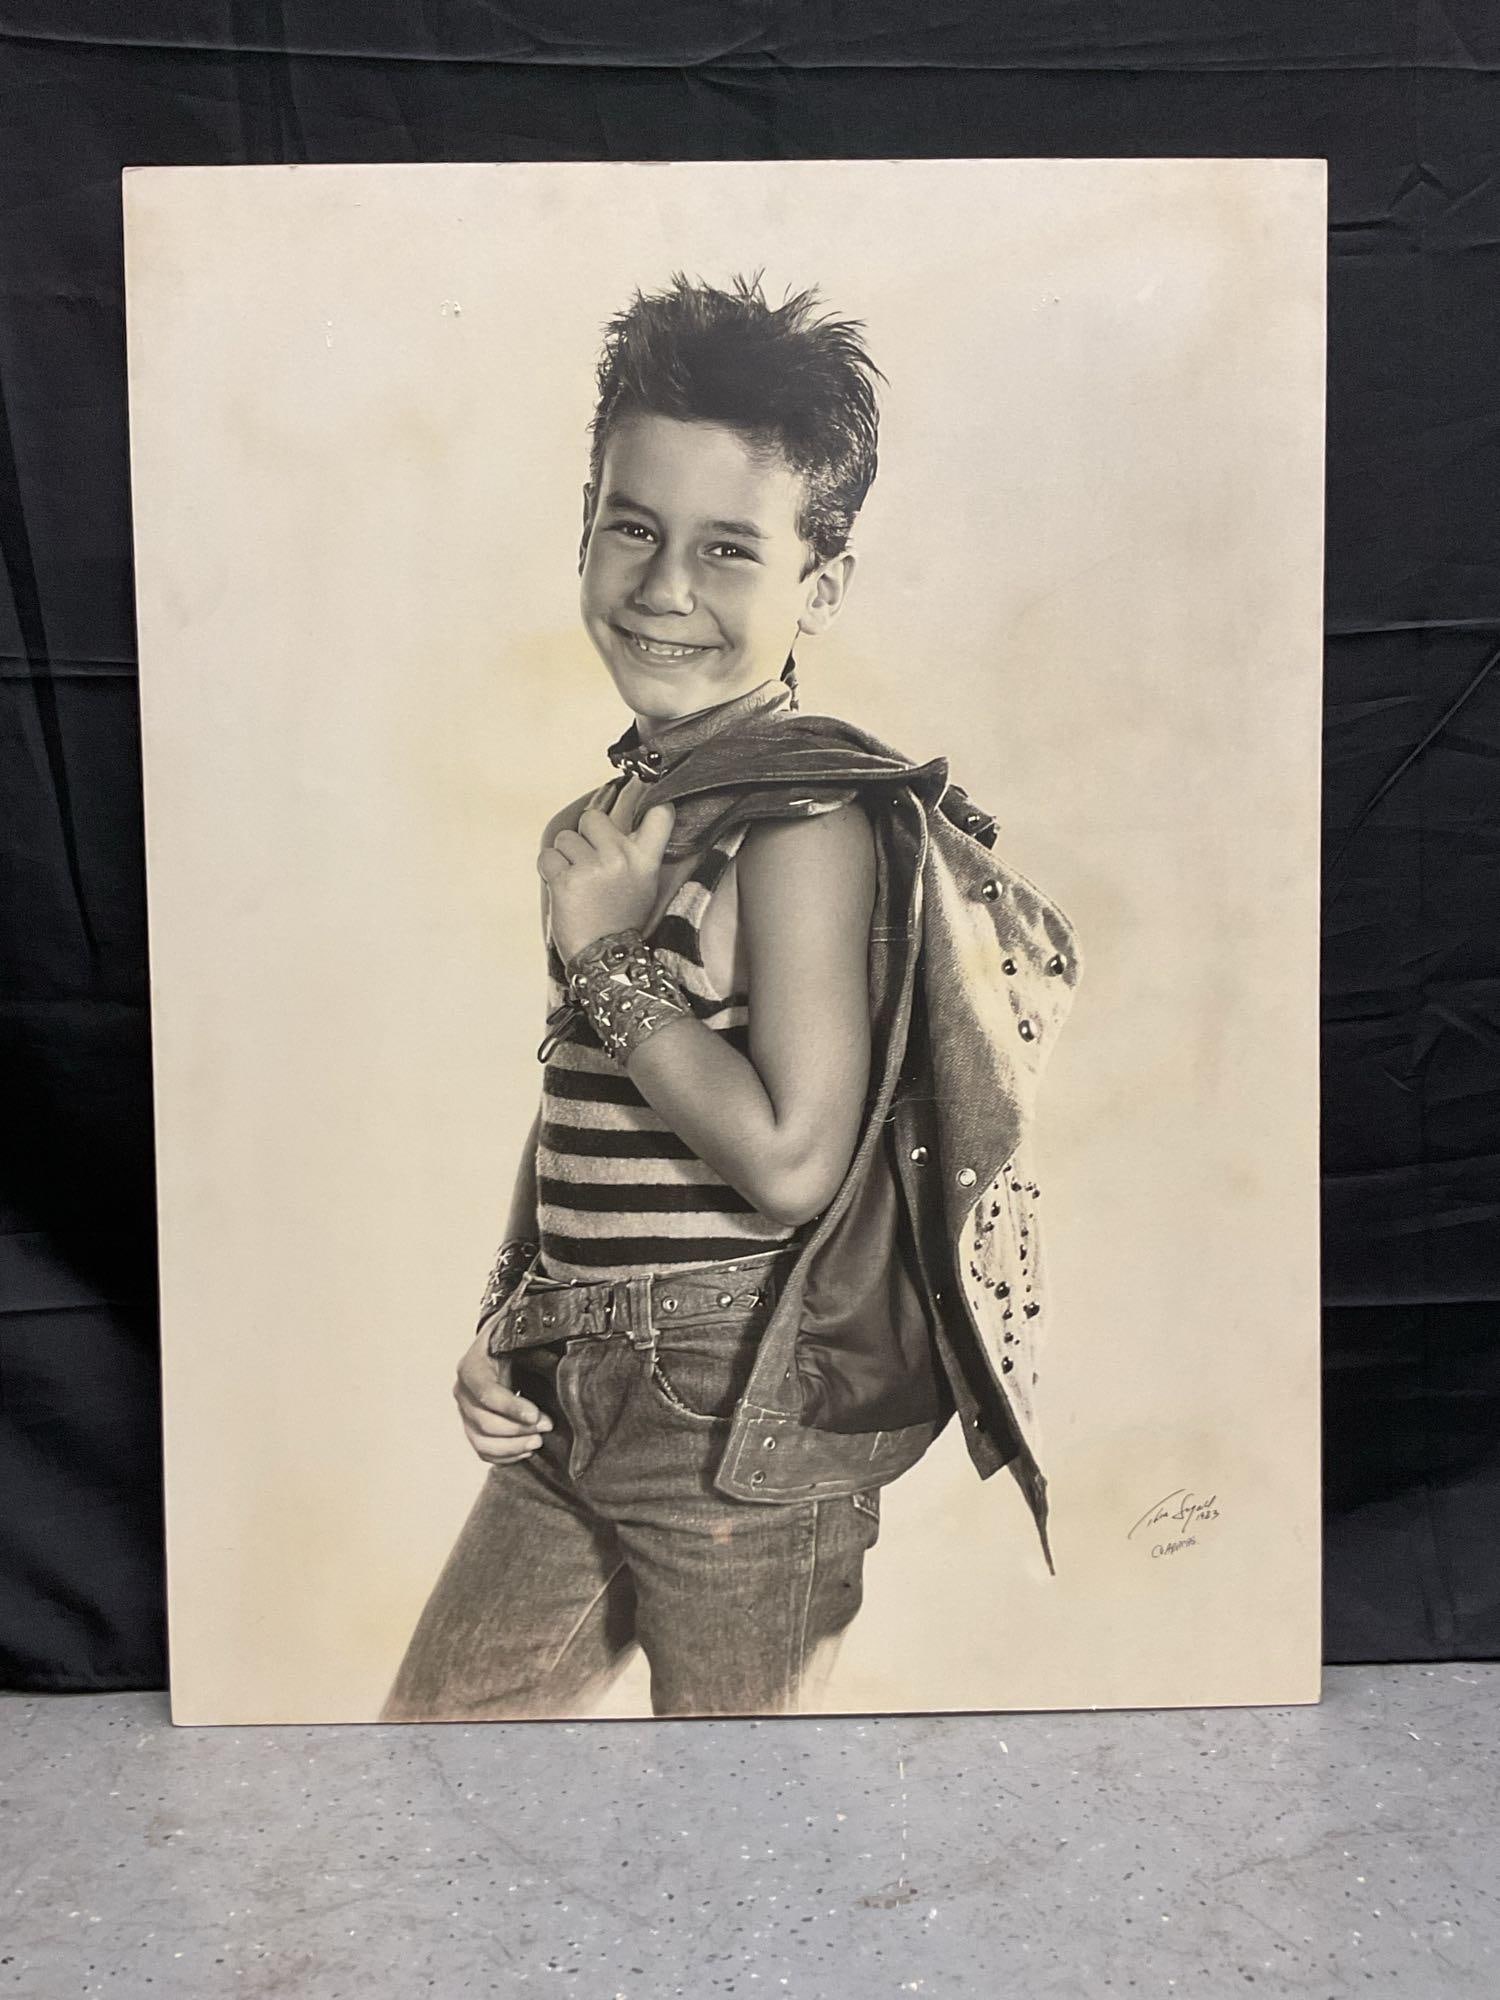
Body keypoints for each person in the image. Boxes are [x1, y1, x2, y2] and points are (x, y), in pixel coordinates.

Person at [382, 272, 1082, 1722]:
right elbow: (587, 1097)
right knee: (436, 1749)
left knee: (747, 1822)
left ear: (818, 586)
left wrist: (606, 960)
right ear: (582, 528)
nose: (664, 590)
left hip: (738, 1407)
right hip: (583, 1381)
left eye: (728, 550)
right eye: (631, 528)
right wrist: (515, 1305)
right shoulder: (629, 810)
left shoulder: (807, 812)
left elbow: (787, 1158)